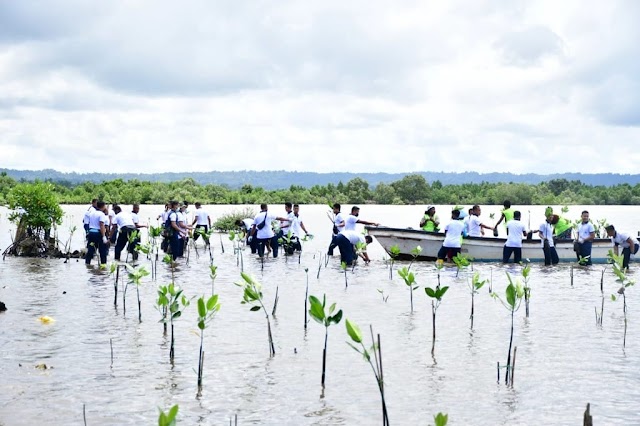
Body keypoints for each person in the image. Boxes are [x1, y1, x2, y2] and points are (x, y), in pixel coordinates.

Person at [85, 201, 109, 266]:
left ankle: (87, 264)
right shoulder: (102, 214)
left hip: (91, 232)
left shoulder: (92, 213)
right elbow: (101, 225)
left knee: (90, 250)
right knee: (102, 251)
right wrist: (104, 236)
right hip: (98, 233)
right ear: (103, 206)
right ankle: (103, 265)